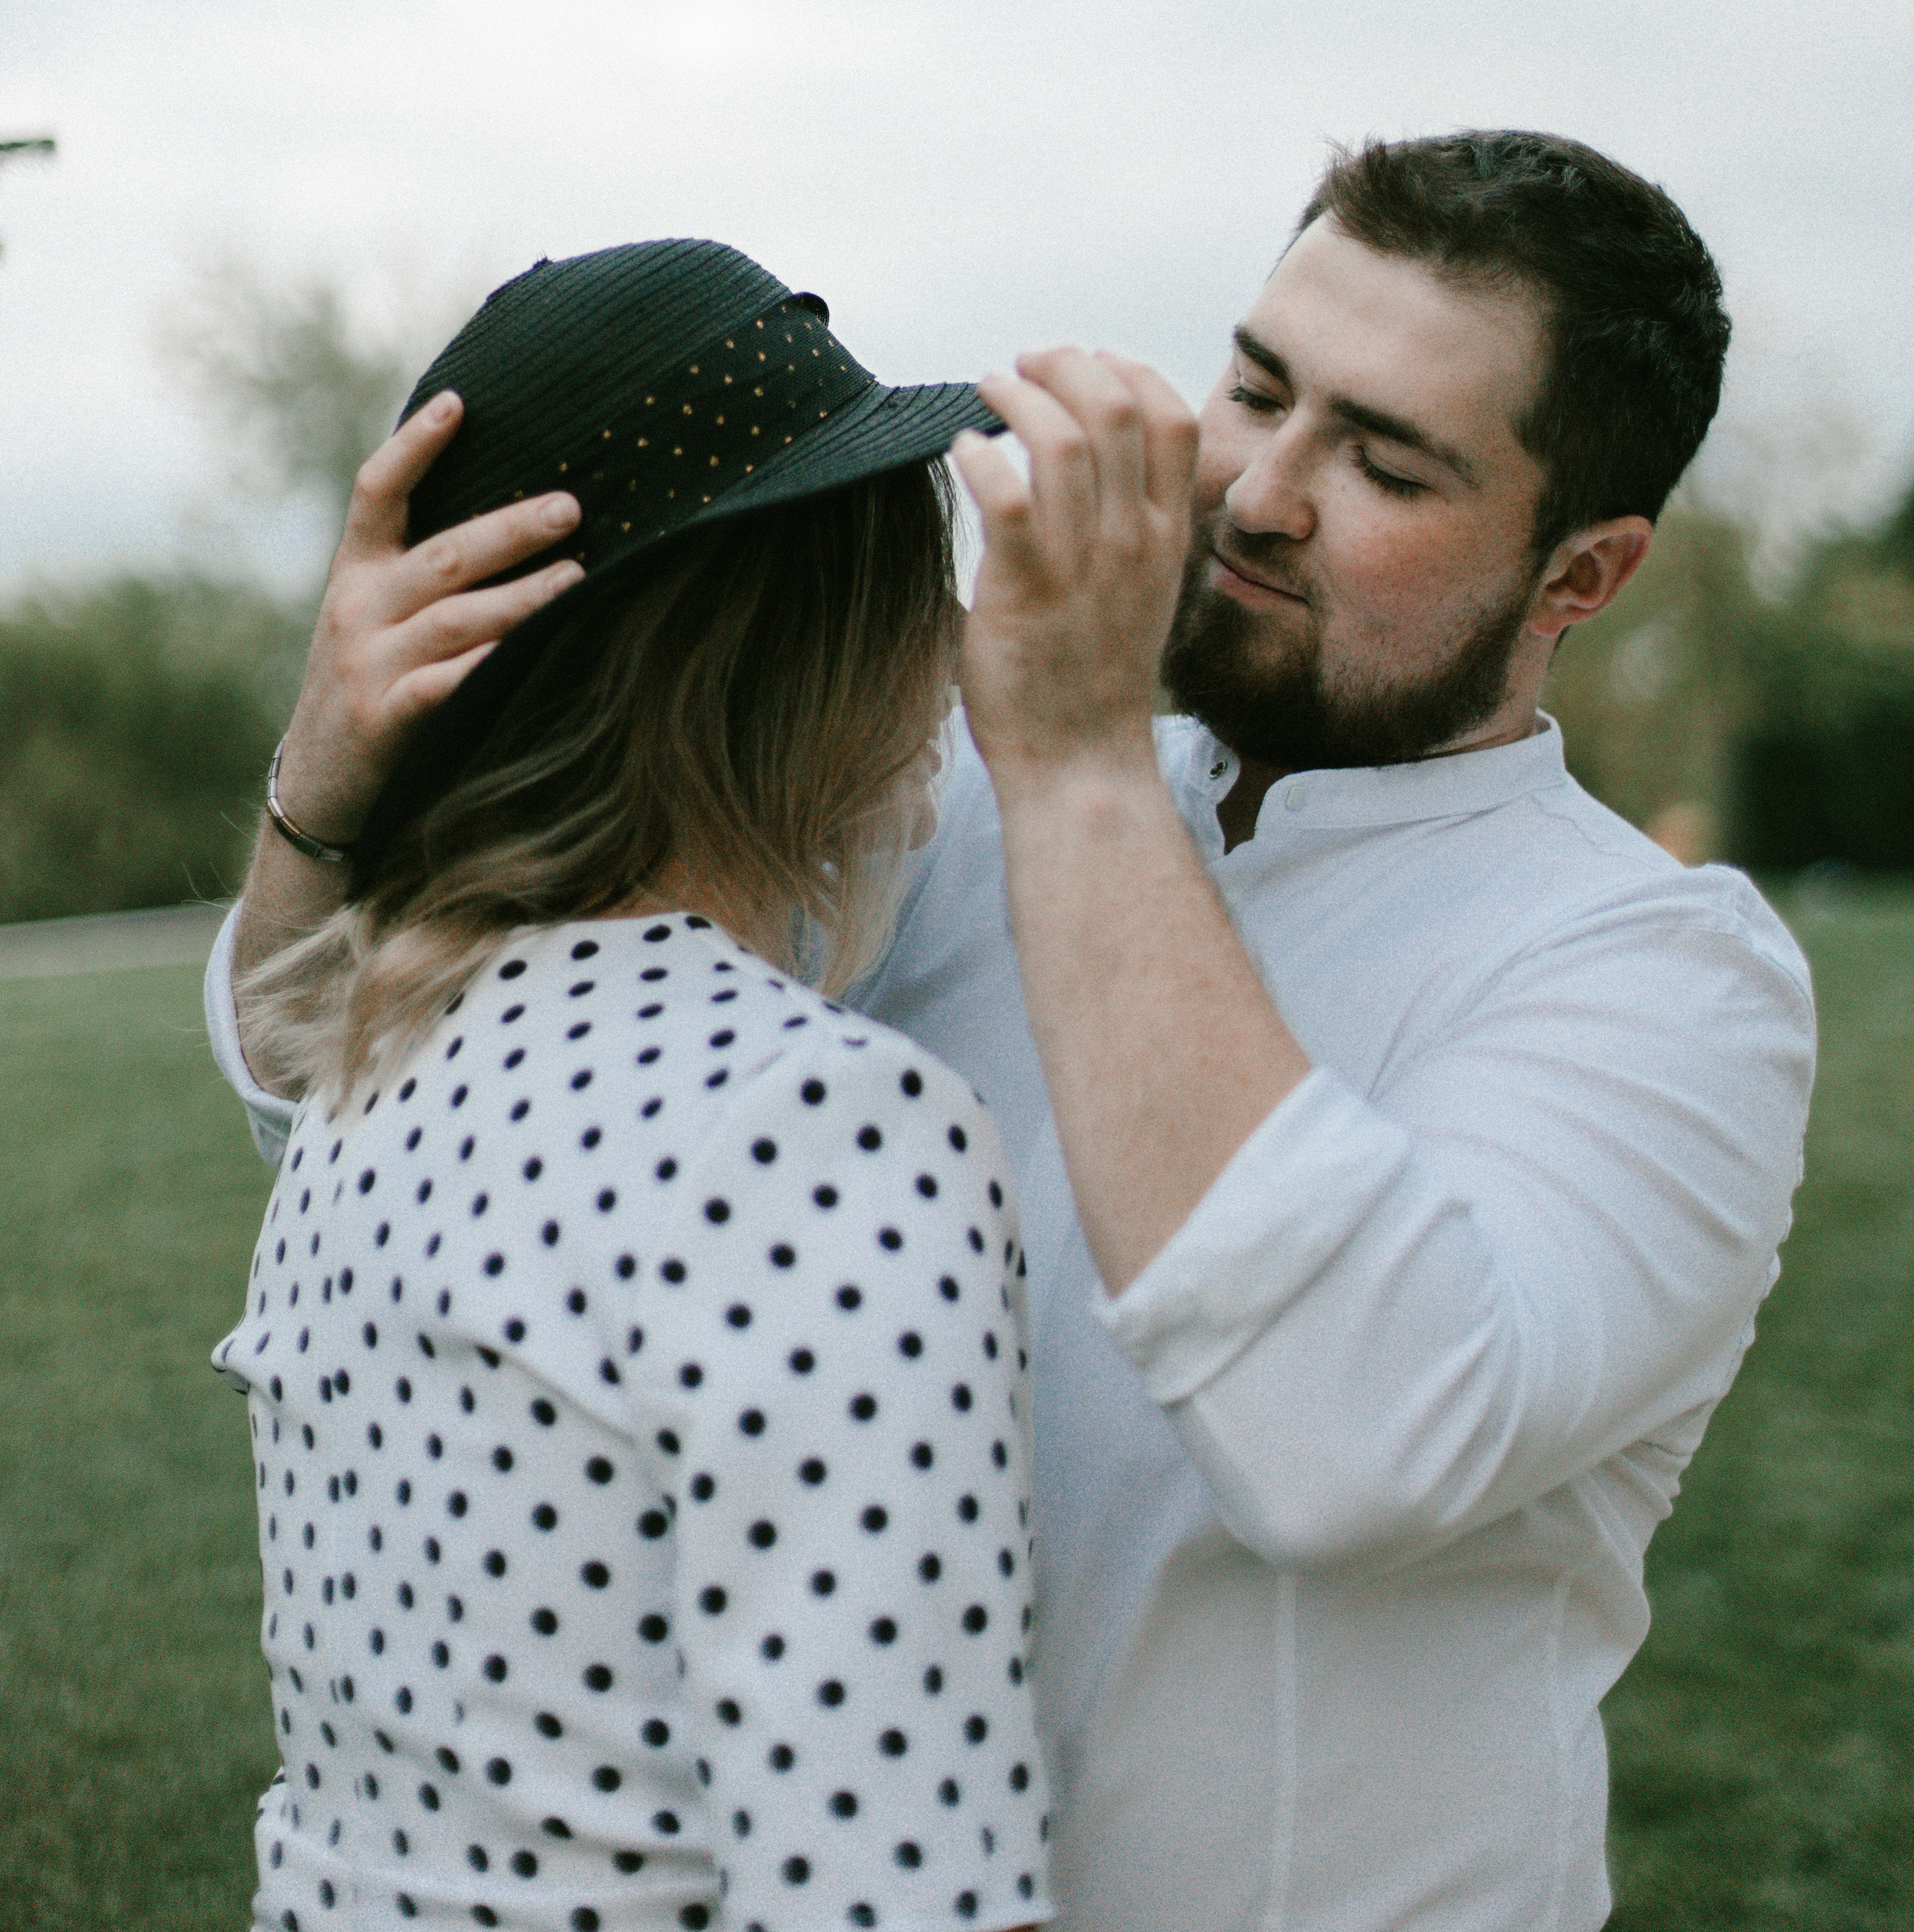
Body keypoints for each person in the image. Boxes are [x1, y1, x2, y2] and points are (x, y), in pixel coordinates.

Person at [212, 135, 1815, 1932]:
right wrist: (325, 800)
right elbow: (410, 1097)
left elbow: (1355, 1442)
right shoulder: (950, 783)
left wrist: (1069, 758)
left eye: (1382, 462)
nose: (1258, 494)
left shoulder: (1653, 975)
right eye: (1255, 390)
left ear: (1578, 577)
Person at [211, 239, 1051, 1932]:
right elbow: (888, 1891)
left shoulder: (379, 1062)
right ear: (782, 641)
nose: (953, 639)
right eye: (910, 576)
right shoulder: (816, 1129)